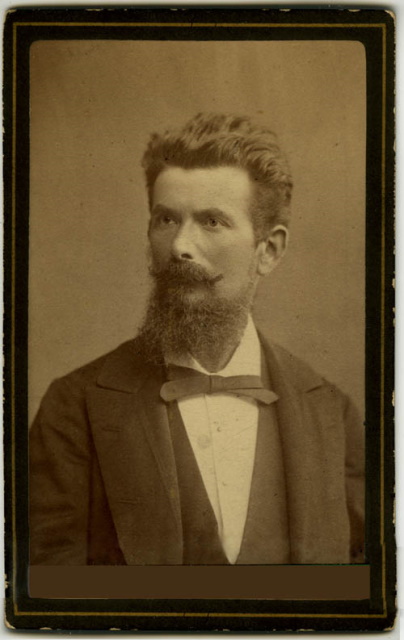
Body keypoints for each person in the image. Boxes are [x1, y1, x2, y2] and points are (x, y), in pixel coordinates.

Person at [29, 113, 364, 566]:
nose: (179, 246)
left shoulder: (332, 414)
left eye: (211, 222)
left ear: (269, 250)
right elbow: (50, 593)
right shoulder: (74, 408)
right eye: (166, 219)